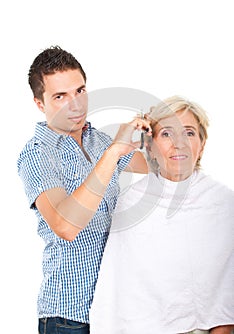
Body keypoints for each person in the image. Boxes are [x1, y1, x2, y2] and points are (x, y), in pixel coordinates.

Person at [17, 46, 152, 334]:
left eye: (80, 91)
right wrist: (114, 152)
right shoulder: (38, 153)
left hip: (113, 310)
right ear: (40, 103)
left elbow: (160, 167)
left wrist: (161, 130)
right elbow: (65, 225)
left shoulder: (98, 141)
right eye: (60, 96)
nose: (76, 105)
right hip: (68, 318)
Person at [89, 96, 234, 334]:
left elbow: (226, 294)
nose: (179, 143)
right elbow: (116, 291)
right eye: (166, 134)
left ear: (202, 144)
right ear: (150, 147)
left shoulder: (225, 204)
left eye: (189, 133)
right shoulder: (130, 203)